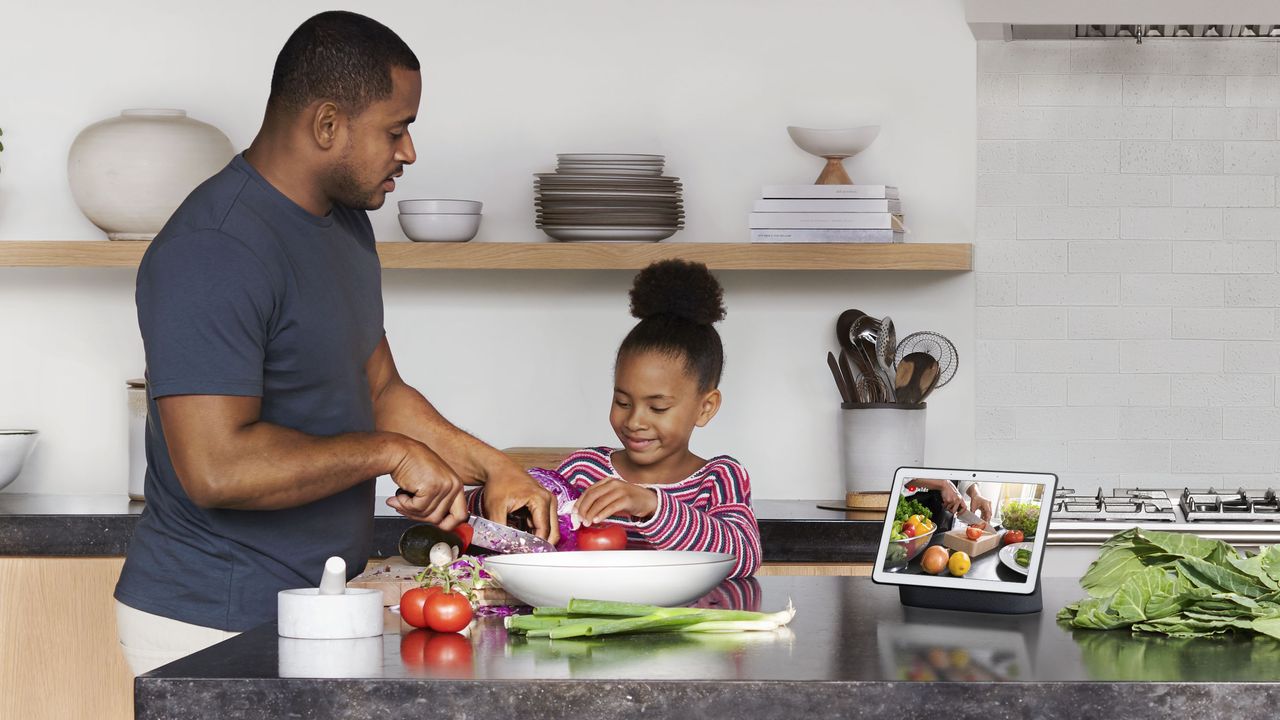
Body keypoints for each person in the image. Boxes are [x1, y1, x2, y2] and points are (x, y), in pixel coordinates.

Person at [115, 11, 556, 674]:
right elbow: (216, 469)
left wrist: (495, 468)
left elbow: (379, 389)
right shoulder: (214, 250)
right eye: (396, 128)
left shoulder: (342, 223)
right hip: (207, 621)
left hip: (314, 605)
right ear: (327, 124)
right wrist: (389, 454)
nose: (408, 152)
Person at [554, 259, 762, 577]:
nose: (635, 420)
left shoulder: (718, 479)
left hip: (687, 624)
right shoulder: (584, 472)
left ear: (705, 407)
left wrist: (651, 505)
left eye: (658, 408)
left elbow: (743, 557)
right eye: (622, 401)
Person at [905, 477, 993, 532]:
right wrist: (943, 484)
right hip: (910, 516)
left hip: (943, 522)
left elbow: (962, 467)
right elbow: (901, 471)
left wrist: (975, 494)